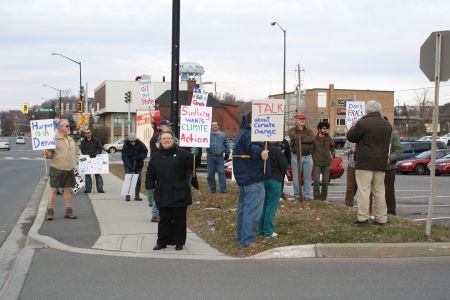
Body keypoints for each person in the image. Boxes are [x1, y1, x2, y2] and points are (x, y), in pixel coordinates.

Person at [145, 131, 193, 251]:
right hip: (162, 192)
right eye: (164, 139)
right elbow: (150, 173)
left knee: (179, 219)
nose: (166, 140)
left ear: (174, 140)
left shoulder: (183, 154)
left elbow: (191, 168)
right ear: (160, 141)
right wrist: (149, 187)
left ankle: (179, 242)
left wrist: (195, 153)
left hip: (180, 192)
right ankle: (162, 242)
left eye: (169, 138)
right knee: (164, 219)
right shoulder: (156, 156)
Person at [347, 100, 392, 226]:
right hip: (381, 163)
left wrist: (354, 126)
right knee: (380, 191)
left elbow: (351, 137)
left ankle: (363, 218)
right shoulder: (387, 124)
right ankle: (381, 218)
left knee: (364, 191)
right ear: (379, 110)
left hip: (364, 162)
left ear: (368, 110)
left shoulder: (362, 123)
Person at [233, 112, 269, 248]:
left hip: (244, 177)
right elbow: (252, 147)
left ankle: (241, 238)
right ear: (252, 122)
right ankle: (247, 240)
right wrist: (260, 153)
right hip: (253, 178)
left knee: (244, 209)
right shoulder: (250, 135)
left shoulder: (242, 132)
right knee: (252, 211)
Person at [43, 119, 78, 220]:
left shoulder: (70, 139)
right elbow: (50, 154)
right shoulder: (53, 139)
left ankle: (68, 211)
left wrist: (77, 159)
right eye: (67, 126)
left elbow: (76, 151)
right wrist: (45, 153)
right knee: (54, 190)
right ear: (60, 127)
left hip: (69, 169)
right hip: (57, 168)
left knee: (67, 190)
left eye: (68, 126)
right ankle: (50, 211)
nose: (68, 127)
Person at [258, 142, 288, 238]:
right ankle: (268, 231)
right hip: (274, 179)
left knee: (263, 206)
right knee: (271, 206)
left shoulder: (259, 149)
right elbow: (284, 166)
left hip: (261, 179)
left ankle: (260, 230)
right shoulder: (276, 150)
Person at [288, 113, 315, 201]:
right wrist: (303, 138)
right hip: (296, 156)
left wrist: (299, 139)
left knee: (308, 178)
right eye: (300, 119)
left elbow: (312, 139)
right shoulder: (292, 130)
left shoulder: (309, 130)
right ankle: (297, 196)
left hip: (308, 156)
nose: (302, 120)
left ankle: (306, 196)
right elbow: (293, 136)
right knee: (296, 178)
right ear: (297, 120)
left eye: (303, 119)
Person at [312, 122, 335, 201]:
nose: (325, 130)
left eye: (326, 129)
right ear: (319, 129)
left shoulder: (329, 138)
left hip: (326, 163)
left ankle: (323, 198)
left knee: (325, 182)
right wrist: (313, 159)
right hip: (317, 163)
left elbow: (332, 147)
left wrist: (333, 154)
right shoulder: (314, 139)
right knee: (316, 181)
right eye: (324, 129)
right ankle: (316, 197)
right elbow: (312, 150)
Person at [121, 133, 148, 201]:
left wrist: (139, 157)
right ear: (129, 140)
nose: (133, 142)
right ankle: (128, 195)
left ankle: (137, 196)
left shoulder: (141, 144)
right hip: (128, 165)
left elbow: (145, 152)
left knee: (138, 179)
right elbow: (124, 156)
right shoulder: (125, 146)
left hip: (138, 165)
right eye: (131, 141)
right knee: (128, 179)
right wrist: (128, 165)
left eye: (134, 141)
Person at [385, 121, 403, 215]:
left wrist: (390, 158)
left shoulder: (393, 134)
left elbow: (399, 150)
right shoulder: (377, 133)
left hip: (389, 168)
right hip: (377, 166)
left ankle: (391, 211)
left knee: (389, 190)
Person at [206, 121, 230, 193]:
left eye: (216, 125)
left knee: (221, 172)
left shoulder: (223, 135)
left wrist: (227, 153)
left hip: (220, 157)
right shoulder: (207, 135)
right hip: (210, 156)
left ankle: (223, 189)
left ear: (218, 126)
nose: (215, 126)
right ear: (211, 127)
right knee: (210, 173)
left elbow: (226, 145)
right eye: (213, 125)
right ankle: (212, 189)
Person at [80, 128, 104, 193]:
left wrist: (95, 153)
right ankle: (88, 189)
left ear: (91, 133)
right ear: (84, 134)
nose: (87, 134)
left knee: (97, 174)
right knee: (87, 174)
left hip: (95, 159)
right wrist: (88, 154)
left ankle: (100, 189)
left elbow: (100, 148)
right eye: (86, 133)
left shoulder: (96, 140)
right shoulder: (83, 141)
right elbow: (82, 150)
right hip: (87, 159)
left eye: (88, 133)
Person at [343, 140, 357, 207]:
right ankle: (348, 205)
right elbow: (344, 151)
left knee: (358, 187)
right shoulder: (350, 140)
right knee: (350, 187)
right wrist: (351, 149)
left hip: (362, 166)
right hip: (351, 165)